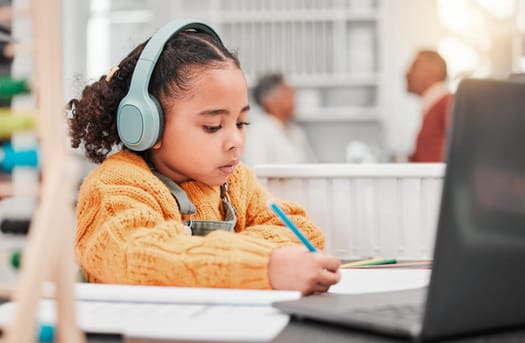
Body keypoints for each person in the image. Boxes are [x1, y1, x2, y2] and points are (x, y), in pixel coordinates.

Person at [67, 20, 340, 295]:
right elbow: (144, 257)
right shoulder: (117, 185)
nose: (235, 141)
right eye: (213, 126)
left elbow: (302, 232)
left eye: (242, 123)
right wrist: (264, 265)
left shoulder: (235, 182)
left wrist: (246, 259)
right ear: (146, 125)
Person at [242, 73, 317, 165]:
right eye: (286, 92)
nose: (293, 96)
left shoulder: (296, 131)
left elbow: (311, 166)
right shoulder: (259, 130)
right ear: (268, 101)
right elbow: (255, 170)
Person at [405, 49, 454, 162]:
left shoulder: (448, 105)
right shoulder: (433, 106)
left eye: (414, 66)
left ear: (433, 71)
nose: (407, 73)